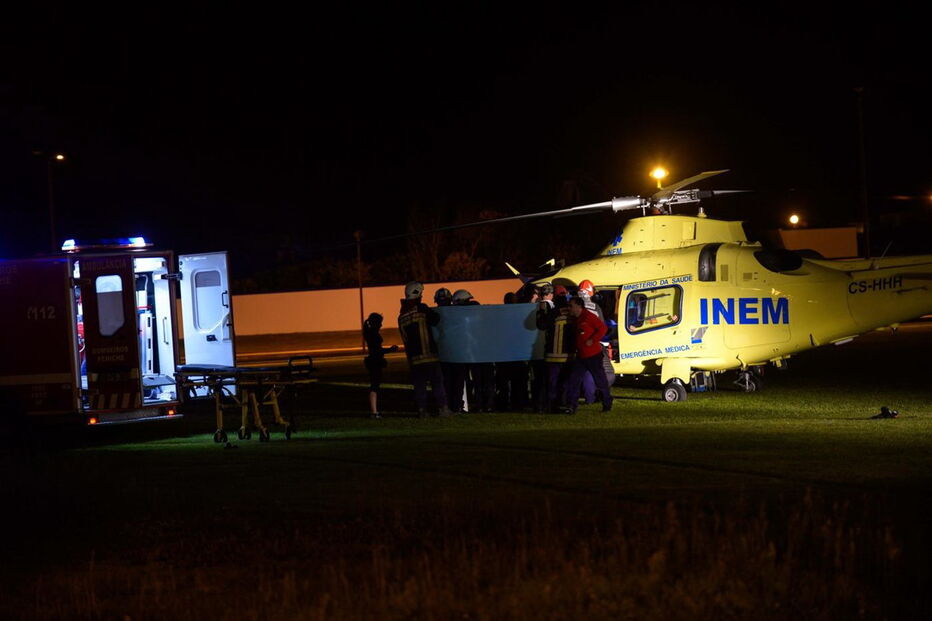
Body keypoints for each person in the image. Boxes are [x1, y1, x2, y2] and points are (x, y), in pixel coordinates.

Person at [398, 281, 452, 417]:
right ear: (417, 293)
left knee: (419, 386)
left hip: (414, 359)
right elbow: (436, 319)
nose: (422, 296)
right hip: (429, 355)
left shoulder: (401, 317)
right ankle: (443, 409)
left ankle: (422, 411)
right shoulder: (422, 308)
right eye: (421, 294)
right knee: (437, 383)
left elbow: (405, 339)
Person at [563, 296, 613, 413]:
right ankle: (572, 405)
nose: (569, 308)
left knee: (600, 381)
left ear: (579, 306)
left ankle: (607, 403)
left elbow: (603, 328)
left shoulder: (588, 316)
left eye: (571, 306)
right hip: (581, 355)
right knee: (574, 380)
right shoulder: (577, 318)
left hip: (593, 356)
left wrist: (592, 340)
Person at [451, 289, 495, 412]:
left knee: (478, 380)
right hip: (484, 350)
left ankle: (481, 405)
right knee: (487, 379)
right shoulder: (478, 311)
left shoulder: (466, 313)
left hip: (474, 352)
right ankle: (489, 405)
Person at [536, 287, 574, 412]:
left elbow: (541, 325)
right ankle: (564, 405)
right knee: (565, 383)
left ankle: (550, 405)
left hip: (553, 355)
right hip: (568, 355)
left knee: (552, 382)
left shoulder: (553, 313)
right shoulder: (572, 314)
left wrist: (541, 312)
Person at [362, 312, 397, 419]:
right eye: (380, 323)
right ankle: (374, 411)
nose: (381, 325)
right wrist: (390, 350)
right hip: (375, 361)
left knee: (375, 385)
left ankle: (374, 410)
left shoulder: (369, 333)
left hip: (373, 361)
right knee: (374, 386)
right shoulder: (373, 334)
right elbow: (377, 350)